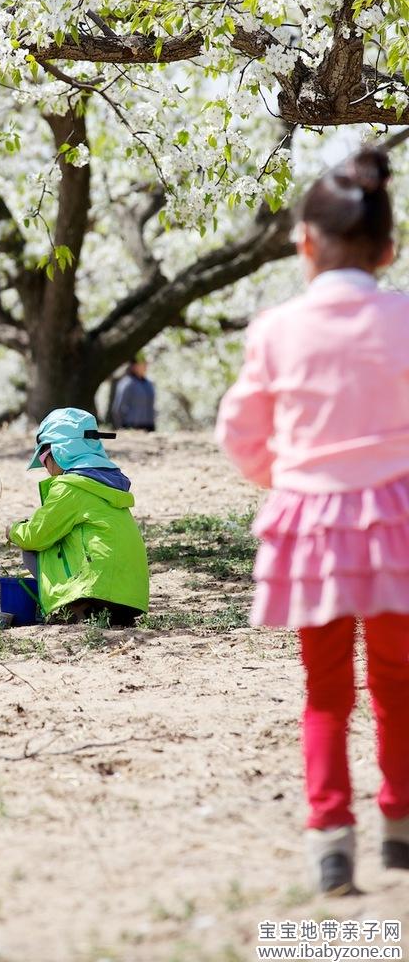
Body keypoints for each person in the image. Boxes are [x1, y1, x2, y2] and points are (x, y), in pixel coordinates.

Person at [215, 147, 409, 896]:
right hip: (397, 522)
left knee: (325, 692)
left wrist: (287, 478)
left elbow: (240, 433)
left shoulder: (276, 328)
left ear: (303, 243)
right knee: (398, 684)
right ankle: (399, 824)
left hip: (315, 528)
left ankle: (331, 838)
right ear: (389, 250)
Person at [5, 407, 148, 625]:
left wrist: (13, 530)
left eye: (43, 457)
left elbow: (36, 535)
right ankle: (101, 611)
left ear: (60, 452)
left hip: (97, 591)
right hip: (130, 596)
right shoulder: (107, 484)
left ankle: (76, 606)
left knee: (32, 549)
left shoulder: (70, 487)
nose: (45, 466)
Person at [110, 354, 156, 431]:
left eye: (145, 363)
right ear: (134, 366)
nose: (145, 366)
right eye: (142, 364)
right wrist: (120, 426)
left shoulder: (148, 384)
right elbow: (118, 408)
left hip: (149, 426)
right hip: (132, 426)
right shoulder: (126, 383)